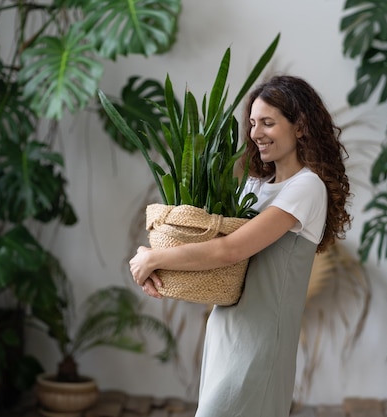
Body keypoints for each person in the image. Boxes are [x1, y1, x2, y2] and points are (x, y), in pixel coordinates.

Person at [129, 75, 352, 417]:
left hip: (260, 345)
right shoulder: (255, 185)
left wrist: (155, 258)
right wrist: (156, 262)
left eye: (268, 122)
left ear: (301, 126)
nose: (256, 133)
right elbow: (208, 243)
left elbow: (230, 250)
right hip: (226, 332)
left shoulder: (307, 188)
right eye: (252, 123)